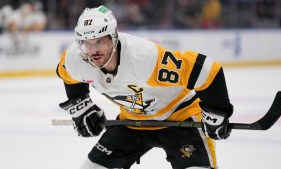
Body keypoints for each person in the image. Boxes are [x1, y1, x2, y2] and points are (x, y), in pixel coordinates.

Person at [57, 5, 233, 169]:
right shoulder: (76, 58)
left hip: (180, 118)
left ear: (114, 36)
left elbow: (207, 70)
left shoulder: (145, 58)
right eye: (87, 43)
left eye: (99, 42)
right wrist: (81, 107)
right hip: (132, 122)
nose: (93, 50)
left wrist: (217, 112)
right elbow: (68, 76)